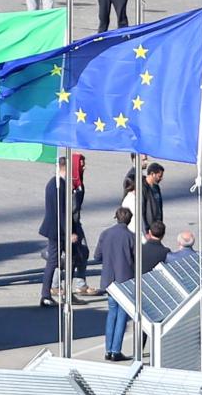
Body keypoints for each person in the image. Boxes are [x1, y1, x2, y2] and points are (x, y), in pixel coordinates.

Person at [39, 157, 86, 307]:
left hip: (59, 228)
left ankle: (67, 293)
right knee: (53, 261)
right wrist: (68, 232)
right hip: (57, 230)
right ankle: (45, 295)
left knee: (71, 259)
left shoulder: (59, 183)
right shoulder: (58, 185)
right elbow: (61, 212)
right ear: (65, 168)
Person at [52, 154, 98, 296]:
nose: (84, 167)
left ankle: (80, 284)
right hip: (67, 224)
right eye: (81, 164)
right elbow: (68, 209)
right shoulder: (67, 185)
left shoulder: (78, 183)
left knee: (83, 252)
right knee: (65, 255)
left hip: (76, 223)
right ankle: (54, 285)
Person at [94, 207, 135, 362]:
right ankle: (116, 350)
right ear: (129, 220)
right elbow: (136, 259)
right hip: (125, 280)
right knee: (122, 315)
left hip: (109, 280)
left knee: (112, 314)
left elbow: (97, 256)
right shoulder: (131, 237)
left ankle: (108, 349)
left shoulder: (105, 234)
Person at [142, 162, 164, 233]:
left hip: (157, 226)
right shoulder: (143, 188)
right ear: (152, 174)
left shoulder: (156, 187)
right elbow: (142, 210)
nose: (161, 178)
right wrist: (146, 229)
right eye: (159, 176)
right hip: (149, 227)